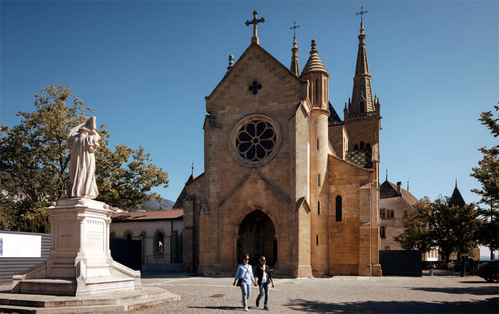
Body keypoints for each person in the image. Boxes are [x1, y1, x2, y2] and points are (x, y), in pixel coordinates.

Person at [67, 116, 100, 199]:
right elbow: (97, 137)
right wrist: (93, 130)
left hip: (76, 162)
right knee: (88, 174)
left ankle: (76, 192)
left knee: (78, 174)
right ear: (86, 131)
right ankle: (85, 192)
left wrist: (82, 124)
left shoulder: (74, 139)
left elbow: (70, 133)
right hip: (87, 160)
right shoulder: (88, 138)